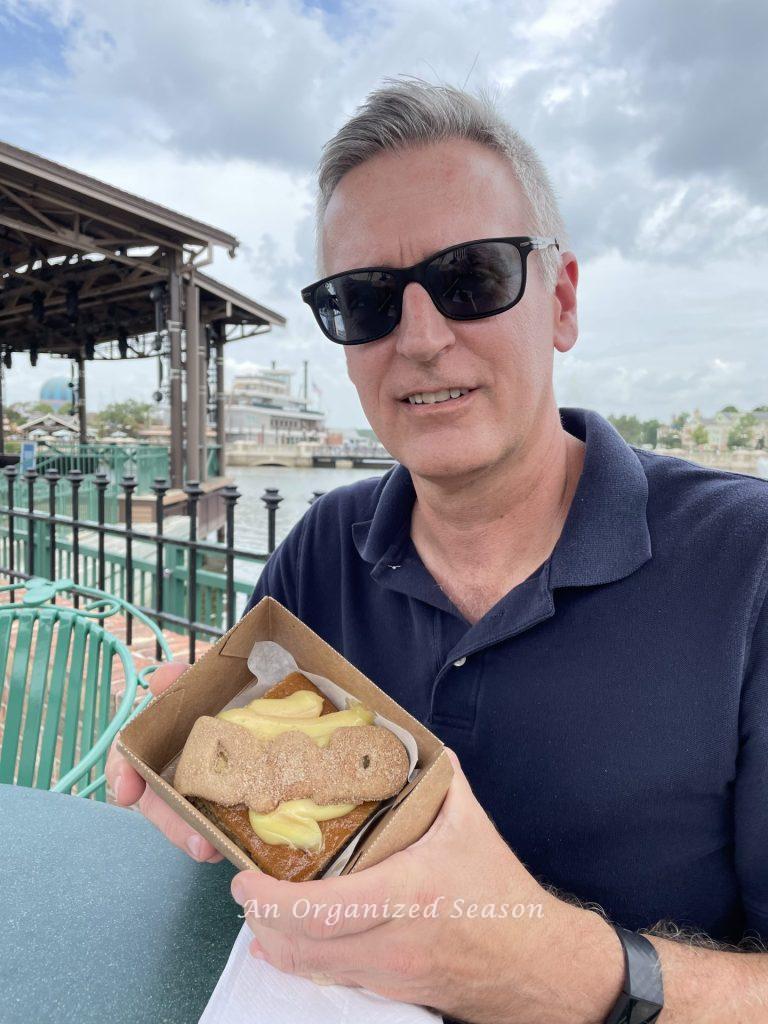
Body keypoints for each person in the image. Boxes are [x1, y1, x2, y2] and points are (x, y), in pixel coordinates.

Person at [107, 77, 768, 1022]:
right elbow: (255, 818)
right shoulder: (318, 553)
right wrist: (208, 807)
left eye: (472, 279)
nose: (420, 337)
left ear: (562, 301)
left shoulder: (748, 567)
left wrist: (568, 972)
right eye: (366, 298)